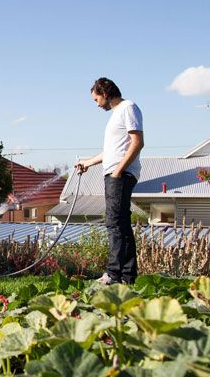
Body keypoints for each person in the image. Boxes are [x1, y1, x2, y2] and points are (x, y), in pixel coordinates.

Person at [76, 77, 144, 285]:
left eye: (96, 99)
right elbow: (111, 152)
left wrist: (117, 171)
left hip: (121, 175)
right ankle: (127, 276)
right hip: (116, 174)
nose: (96, 104)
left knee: (114, 223)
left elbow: (138, 142)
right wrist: (87, 163)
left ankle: (113, 274)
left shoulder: (128, 107)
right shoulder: (116, 115)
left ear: (104, 93)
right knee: (121, 224)